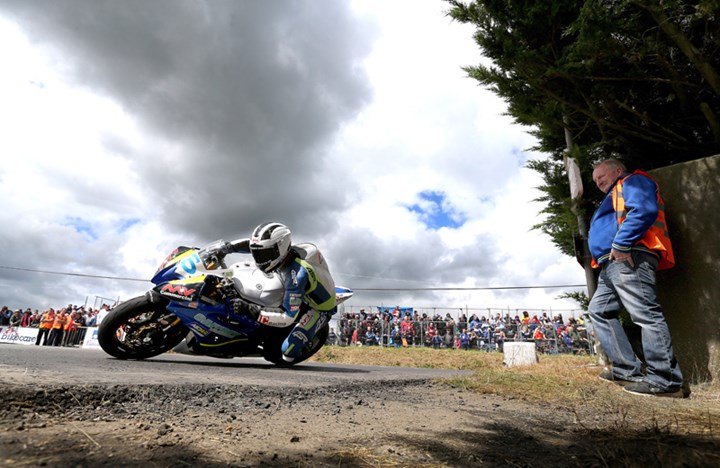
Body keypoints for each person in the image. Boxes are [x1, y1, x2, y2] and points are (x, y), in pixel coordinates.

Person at [588, 158, 683, 398]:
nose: (598, 182)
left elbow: (644, 209)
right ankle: (626, 370)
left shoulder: (632, 181)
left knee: (645, 313)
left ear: (618, 171)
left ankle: (666, 381)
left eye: (601, 176)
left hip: (629, 255)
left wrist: (621, 243)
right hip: (611, 262)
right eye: (595, 180)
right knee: (599, 311)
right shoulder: (613, 194)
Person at [232, 222, 337, 363]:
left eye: (264, 254)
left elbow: (287, 316)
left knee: (288, 354)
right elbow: (253, 245)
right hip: (300, 286)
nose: (259, 258)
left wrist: (252, 310)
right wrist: (226, 248)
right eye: (257, 253)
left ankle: (300, 340)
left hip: (318, 308)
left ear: (280, 249)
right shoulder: (284, 254)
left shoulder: (296, 276)